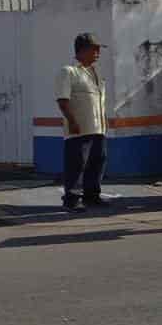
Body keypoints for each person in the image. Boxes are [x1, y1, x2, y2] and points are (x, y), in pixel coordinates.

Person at [55, 31, 109, 212]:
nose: (98, 53)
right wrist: (72, 121)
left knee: (97, 161)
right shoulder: (69, 72)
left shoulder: (95, 74)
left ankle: (92, 195)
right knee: (77, 163)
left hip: (98, 128)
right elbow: (63, 100)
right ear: (83, 50)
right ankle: (72, 198)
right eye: (95, 49)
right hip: (79, 128)